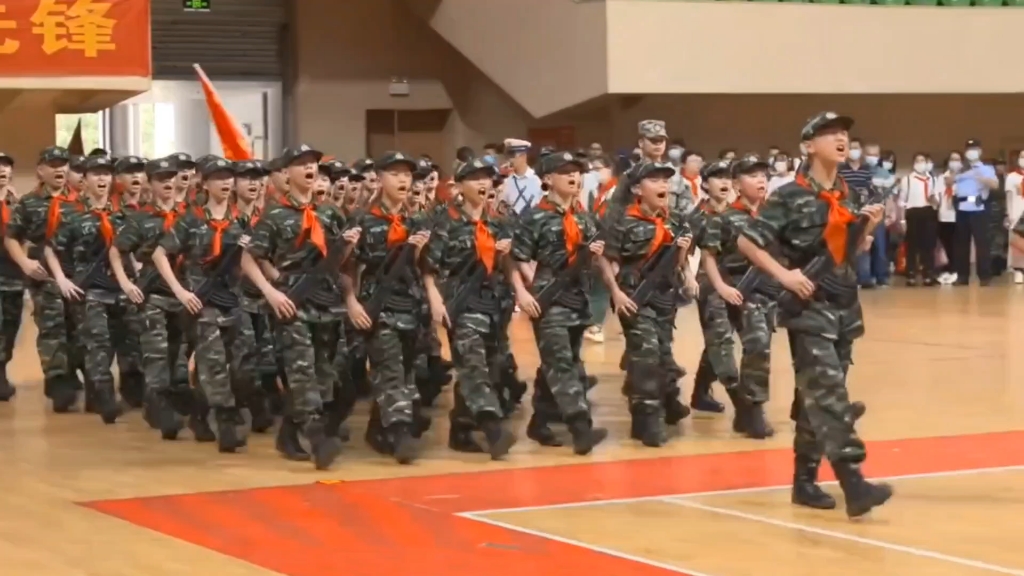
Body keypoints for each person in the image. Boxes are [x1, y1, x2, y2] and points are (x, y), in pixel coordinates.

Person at [737, 111, 892, 519]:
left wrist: (865, 232)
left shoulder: (849, 193)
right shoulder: (789, 195)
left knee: (814, 399)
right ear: (808, 146)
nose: (841, 139)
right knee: (830, 395)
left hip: (844, 306)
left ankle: (804, 481)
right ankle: (854, 483)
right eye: (830, 134)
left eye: (844, 133)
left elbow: (847, 251)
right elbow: (748, 241)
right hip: (809, 309)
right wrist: (785, 275)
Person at [242, 144, 360, 469]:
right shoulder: (275, 215)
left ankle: (289, 433)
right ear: (286, 173)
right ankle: (317, 437)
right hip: (292, 303)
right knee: (302, 371)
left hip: (327, 302)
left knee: (323, 375)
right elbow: (250, 257)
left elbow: (340, 263)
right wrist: (271, 292)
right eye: (302, 165)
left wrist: (348, 246)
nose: (310, 170)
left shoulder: (331, 214)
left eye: (313, 165)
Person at [154, 157, 259, 453]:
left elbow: (249, 261)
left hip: (234, 302)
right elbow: (160, 255)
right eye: (219, 178)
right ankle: (225, 424)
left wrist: (267, 287)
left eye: (229, 177)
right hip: (202, 304)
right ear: (205, 183)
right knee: (213, 364)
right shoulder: (192, 218)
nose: (226, 183)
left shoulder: (241, 221)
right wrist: (180, 292)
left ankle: (199, 412)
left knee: (244, 365)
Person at [511, 151, 608, 455]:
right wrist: (522, 293)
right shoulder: (534, 216)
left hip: (578, 297)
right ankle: (581, 428)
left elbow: (597, 257)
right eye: (565, 172)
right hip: (548, 297)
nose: (573, 177)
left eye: (577, 172)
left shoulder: (584, 216)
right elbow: (514, 258)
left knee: (560, 362)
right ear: (547, 179)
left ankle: (540, 421)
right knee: (562, 364)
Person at [341, 151, 432, 464]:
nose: (403, 179)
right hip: (378, 307)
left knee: (406, 371)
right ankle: (399, 432)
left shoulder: (418, 221)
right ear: (378, 179)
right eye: (395, 174)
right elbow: (346, 267)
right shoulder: (362, 220)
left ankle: (378, 429)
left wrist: (418, 252)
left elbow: (425, 269)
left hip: (412, 305)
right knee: (390, 369)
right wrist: (351, 302)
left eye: (407, 174)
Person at [422, 157, 517, 458]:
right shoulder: (446, 222)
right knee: (473, 366)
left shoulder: (497, 223)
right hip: (461, 305)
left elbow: (504, 267)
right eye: (474, 178)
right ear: (460, 186)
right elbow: (428, 267)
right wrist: (435, 301)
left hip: (494, 305)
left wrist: (505, 258)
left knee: (493, 367)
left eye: (487, 178)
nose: (482, 183)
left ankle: (461, 429)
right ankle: (494, 430)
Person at [598, 161, 692, 446]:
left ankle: (658, 411)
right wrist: (615, 291)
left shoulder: (675, 222)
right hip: (634, 299)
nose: (663, 185)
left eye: (665, 180)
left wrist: (685, 265)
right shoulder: (622, 221)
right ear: (638, 189)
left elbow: (676, 263)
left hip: (665, 301)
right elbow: (605, 258)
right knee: (645, 357)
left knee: (663, 356)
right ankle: (646, 421)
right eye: (655, 180)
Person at [701, 155, 775, 439]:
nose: (760, 180)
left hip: (768, 292)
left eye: (763, 175)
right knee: (757, 346)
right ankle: (753, 410)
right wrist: (721, 288)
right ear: (736, 184)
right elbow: (709, 257)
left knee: (761, 347)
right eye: (752, 175)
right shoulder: (725, 218)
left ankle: (744, 414)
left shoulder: (770, 215)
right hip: (740, 291)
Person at [5, 146, 81, 412]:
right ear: (41, 170)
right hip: (44, 276)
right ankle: (57, 380)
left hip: (77, 275)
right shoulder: (29, 201)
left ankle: (73, 375)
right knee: (51, 329)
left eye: (64, 164)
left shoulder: (80, 201)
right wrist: (24, 262)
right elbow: (12, 237)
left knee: (76, 329)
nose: (60, 169)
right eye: (54, 165)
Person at [950, 139, 998, 286]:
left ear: (980, 151)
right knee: (961, 244)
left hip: (978, 208)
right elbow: (949, 181)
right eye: (969, 149)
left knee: (981, 243)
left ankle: (984, 276)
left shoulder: (986, 168)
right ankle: (962, 276)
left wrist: (982, 178)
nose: (971, 151)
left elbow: (995, 185)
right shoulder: (961, 169)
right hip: (962, 207)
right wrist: (957, 172)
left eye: (975, 148)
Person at [897, 153, 940, 286]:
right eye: (918, 161)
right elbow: (901, 201)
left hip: (928, 212)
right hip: (913, 212)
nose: (920, 163)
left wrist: (934, 200)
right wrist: (902, 220)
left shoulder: (932, 179)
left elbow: (937, 201)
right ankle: (911, 274)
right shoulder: (907, 180)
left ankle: (928, 273)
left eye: (923, 161)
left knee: (929, 245)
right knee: (912, 246)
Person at [0, 152, 23, 402]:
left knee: (10, 326)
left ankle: (1, 370)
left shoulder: (19, 204)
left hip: (13, 275)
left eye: (6, 166)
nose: (2, 170)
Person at [1004, 150, 1024, 283]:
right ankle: (1019, 271)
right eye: (1022, 156)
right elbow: (1009, 197)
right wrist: (1009, 214)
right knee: (1017, 244)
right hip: (1017, 214)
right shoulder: (1011, 177)